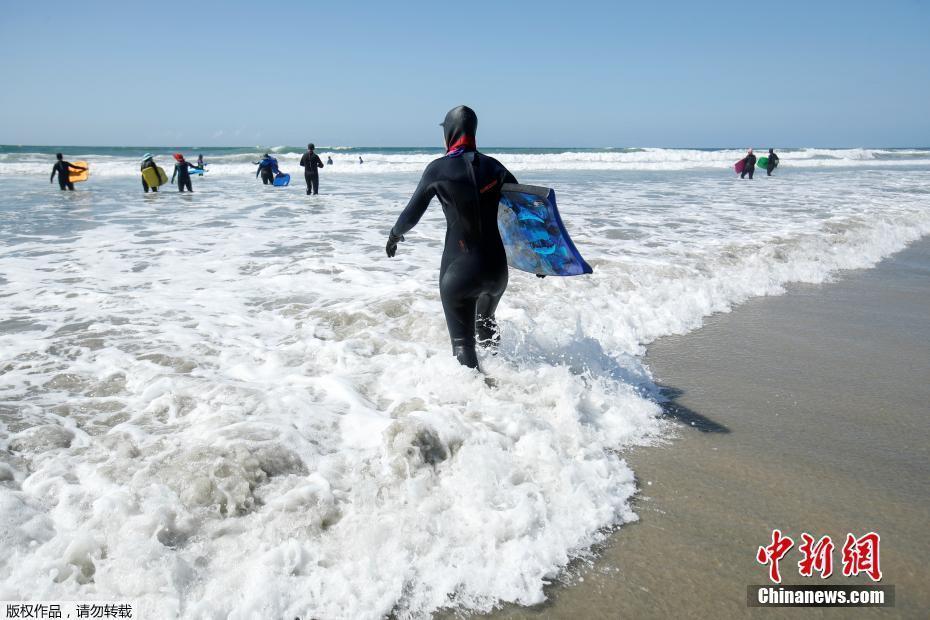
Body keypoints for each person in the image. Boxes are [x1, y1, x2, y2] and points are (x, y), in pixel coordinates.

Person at [386, 105, 517, 371]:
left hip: (460, 272)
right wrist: (543, 256)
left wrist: (394, 235)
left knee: (462, 344)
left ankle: (482, 399)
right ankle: (505, 375)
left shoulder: (438, 170)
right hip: (496, 271)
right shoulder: (495, 168)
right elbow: (527, 211)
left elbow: (411, 215)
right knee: (485, 322)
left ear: (449, 132)